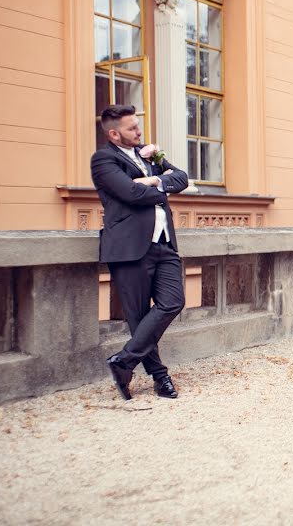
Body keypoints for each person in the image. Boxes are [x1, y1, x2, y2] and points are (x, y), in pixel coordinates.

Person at [91, 105, 190, 401]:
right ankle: (161, 378)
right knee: (139, 317)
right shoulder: (103, 160)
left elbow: (182, 178)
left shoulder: (148, 155)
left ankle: (124, 361)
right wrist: (162, 185)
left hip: (164, 243)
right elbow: (130, 194)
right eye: (132, 128)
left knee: (173, 302)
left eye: (138, 125)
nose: (139, 131)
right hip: (129, 247)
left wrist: (153, 179)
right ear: (113, 133)